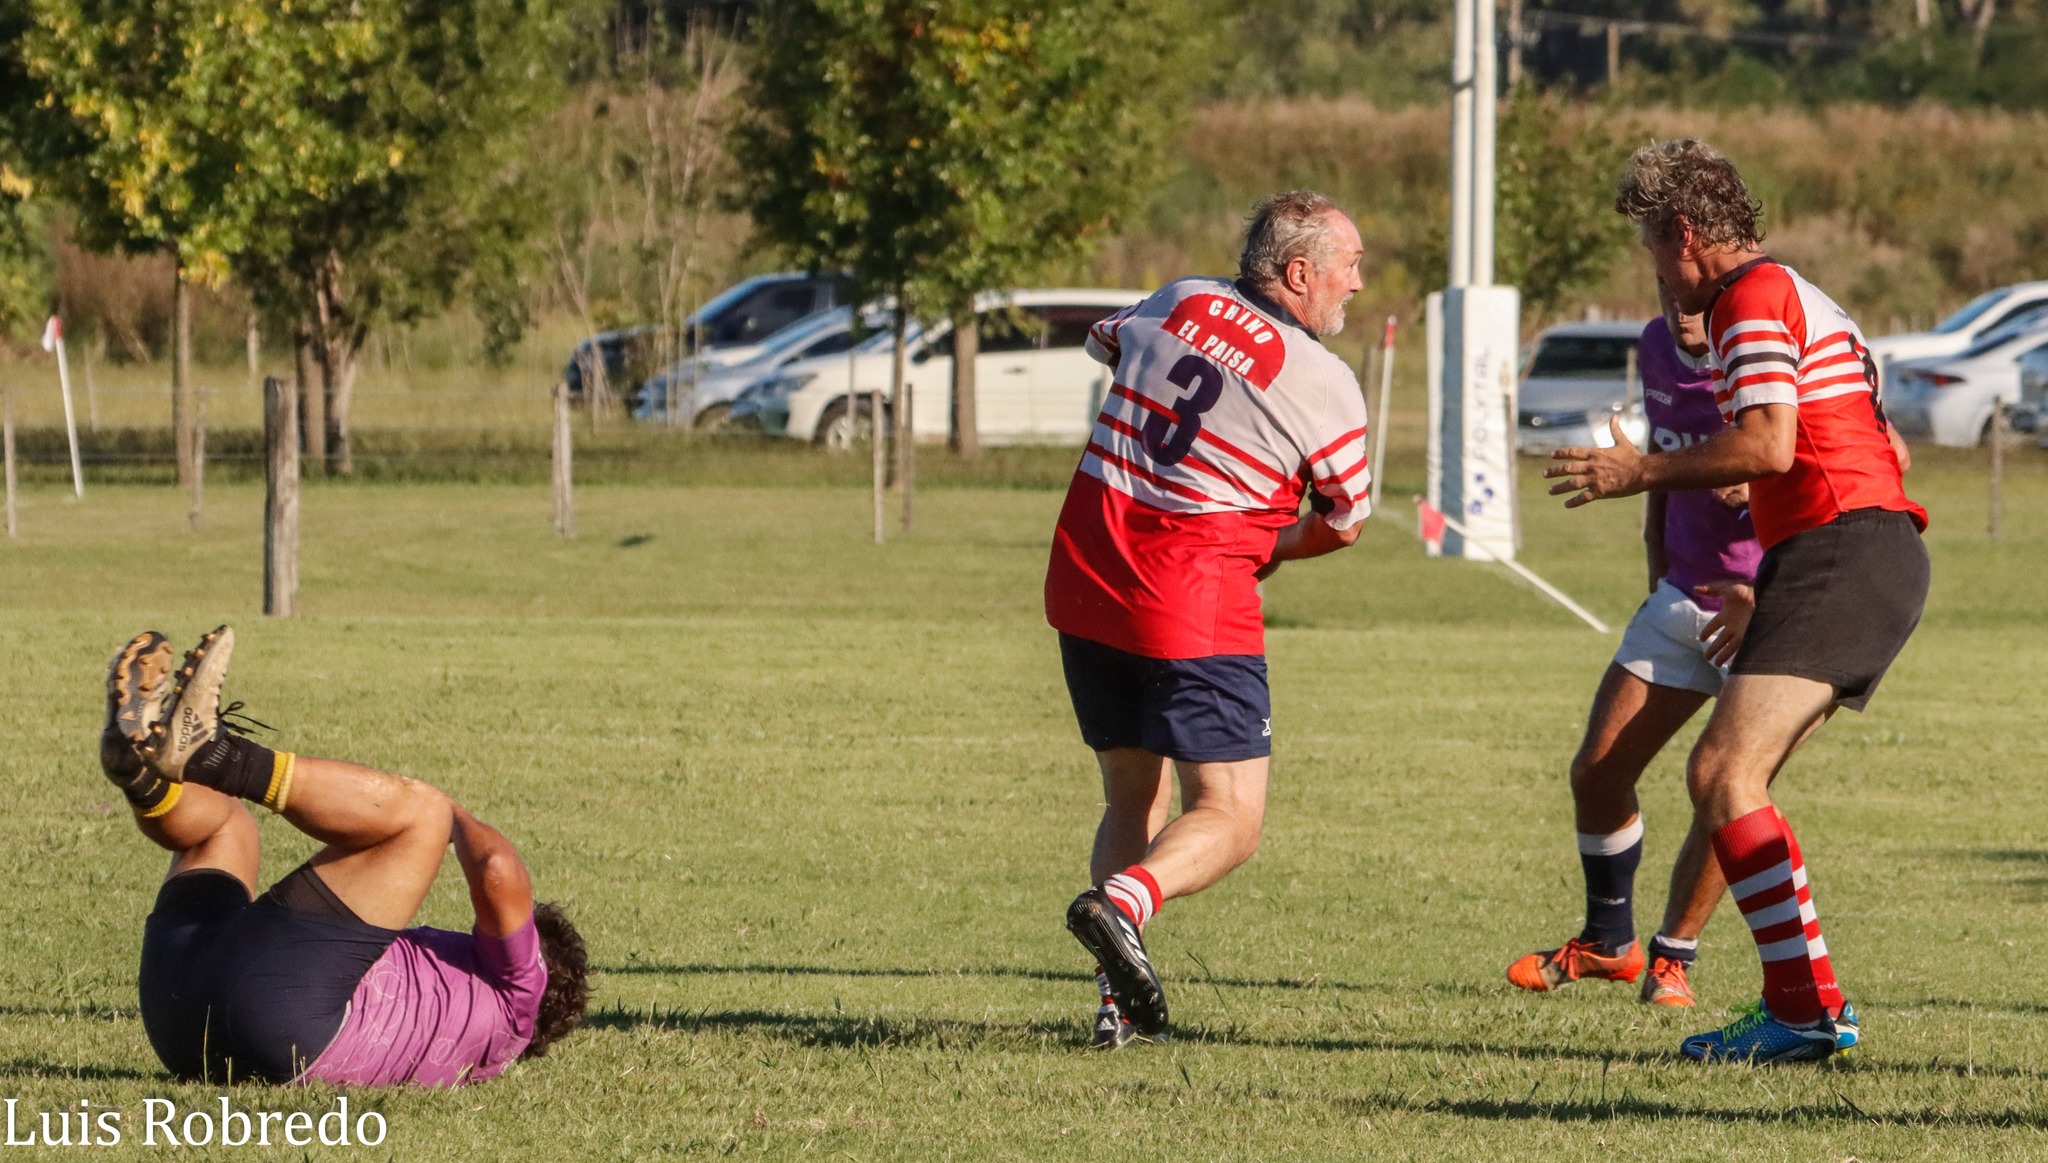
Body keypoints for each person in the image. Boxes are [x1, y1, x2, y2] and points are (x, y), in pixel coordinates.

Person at [1546, 139, 1928, 1064]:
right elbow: (1870, 450)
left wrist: (1637, 469)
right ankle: (1802, 1006)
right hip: (1839, 553)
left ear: (1684, 232)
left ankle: (1801, 1007)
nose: (1652, 269)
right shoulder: (1787, 292)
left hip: (1846, 549)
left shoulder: (1749, 297)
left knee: (1723, 773)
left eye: (1648, 245)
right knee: (1724, 775)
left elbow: (1768, 447)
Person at [1047, 190, 1373, 1046]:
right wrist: (1263, 544)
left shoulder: (1180, 296)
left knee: (1132, 797)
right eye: (1350, 266)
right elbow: (1345, 520)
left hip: (1086, 573)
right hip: (1190, 599)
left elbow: (1108, 347)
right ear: (1298, 273)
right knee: (1229, 814)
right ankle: (1121, 903)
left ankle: (1117, 1009)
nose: (1359, 284)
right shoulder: (1324, 380)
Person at [100, 625, 589, 1085]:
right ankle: (145, 777)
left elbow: (496, 868)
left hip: (273, 1018)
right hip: (182, 1033)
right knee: (224, 826)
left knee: (424, 812)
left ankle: (215, 754)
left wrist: (454, 817)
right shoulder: (479, 1056)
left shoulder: (523, 990)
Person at [1506, 283, 1760, 1010]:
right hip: (1682, 594)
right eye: (1668, 289)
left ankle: (1672, 958)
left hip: (1761, 607)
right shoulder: (1654, 343)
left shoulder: (1764, 350)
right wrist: (1655, 559)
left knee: (1726, 784)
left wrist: (1764, 506)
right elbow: (1664, 457)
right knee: (1597, 771)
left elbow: (1832, 462)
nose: (1683, 308)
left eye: (1698, 294)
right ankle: (1607, 941)